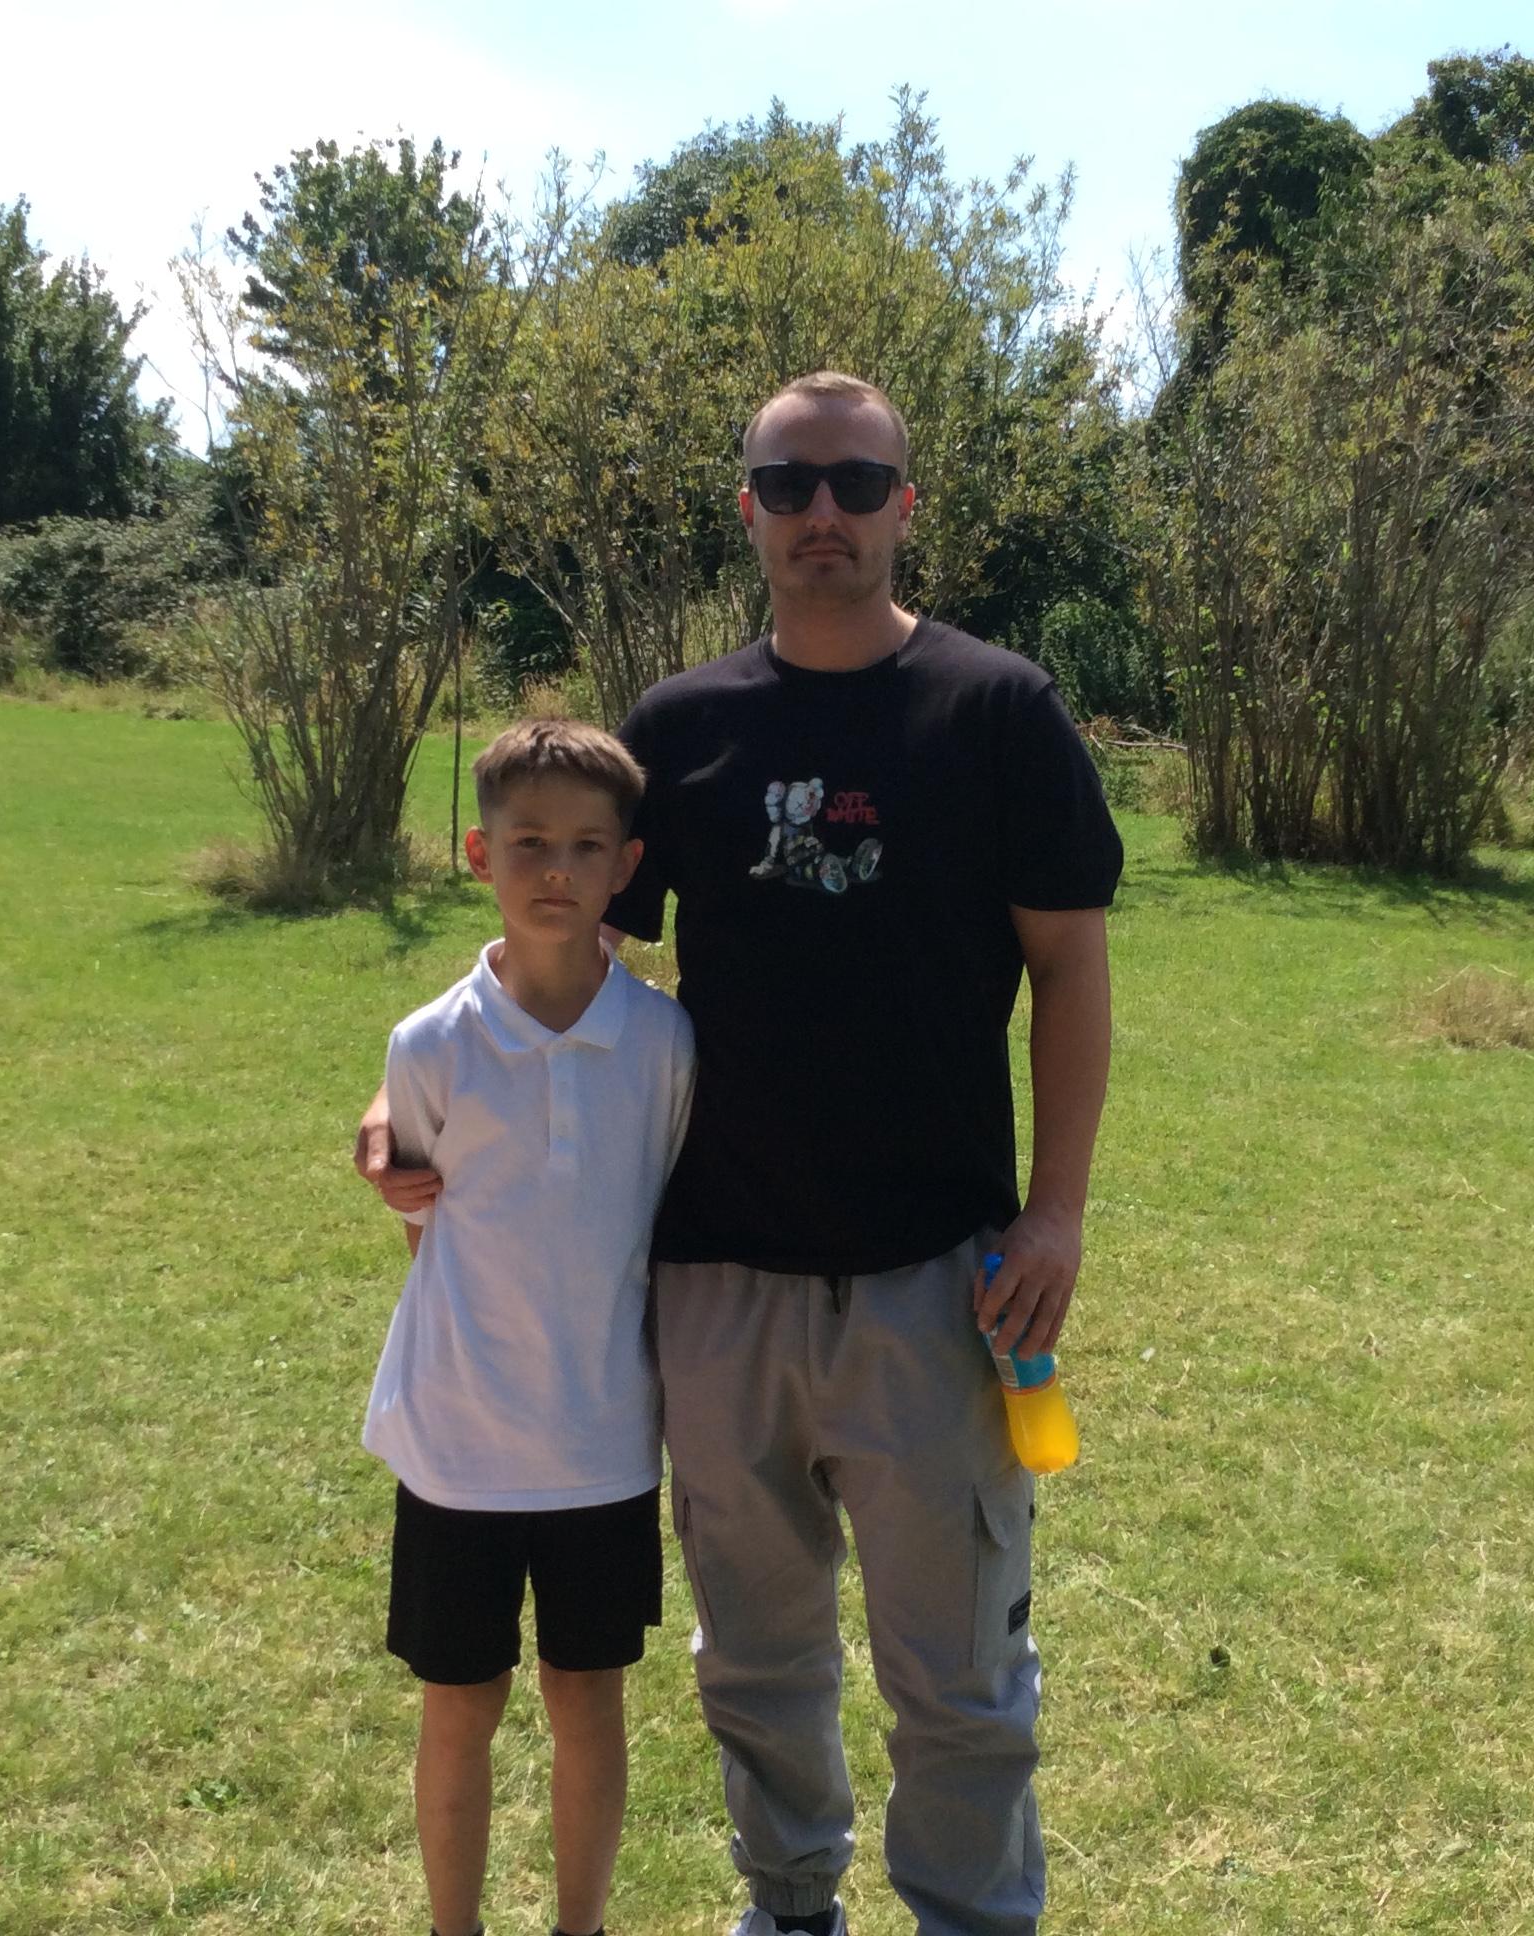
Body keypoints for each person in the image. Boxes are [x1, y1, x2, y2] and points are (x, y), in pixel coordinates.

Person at [363, 371, 1121, 1936]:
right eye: (789, 486)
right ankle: (788, 1907)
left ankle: (971, 1917)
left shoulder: (997, 710)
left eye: (856, 482)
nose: (822, 512)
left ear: (906, 505)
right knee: (758, 1663)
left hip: (939, 1282)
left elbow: (1070, 965)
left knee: (958, 1671)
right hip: (716, 1291)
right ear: (750, 514)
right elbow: (564, 949)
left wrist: (1055, 1217)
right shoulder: (683, 728)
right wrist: (413, 1100)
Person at [362, 715, 696, 1936]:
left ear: (627, 865)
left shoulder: (664, 1043)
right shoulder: (428, 1045)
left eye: (587, 846)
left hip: (602, 1445)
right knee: (460, 1705)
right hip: (459, 1443)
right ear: (478, 853)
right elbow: (424, 1224)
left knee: (585, 1698)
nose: (557, 869)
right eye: (529, 843)